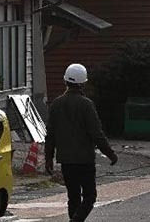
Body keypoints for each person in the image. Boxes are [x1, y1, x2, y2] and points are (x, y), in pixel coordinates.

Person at [44, 63, 118, 222]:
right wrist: (110, 154)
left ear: (65, 81)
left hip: (65, 160)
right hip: (84, 159)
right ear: (83, 83)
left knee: (73, 197)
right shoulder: (86, 105)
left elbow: (50, 135)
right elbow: (97, 134)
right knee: (90, 197)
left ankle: (74, 219)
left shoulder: (56, 104)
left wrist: (48, 158)